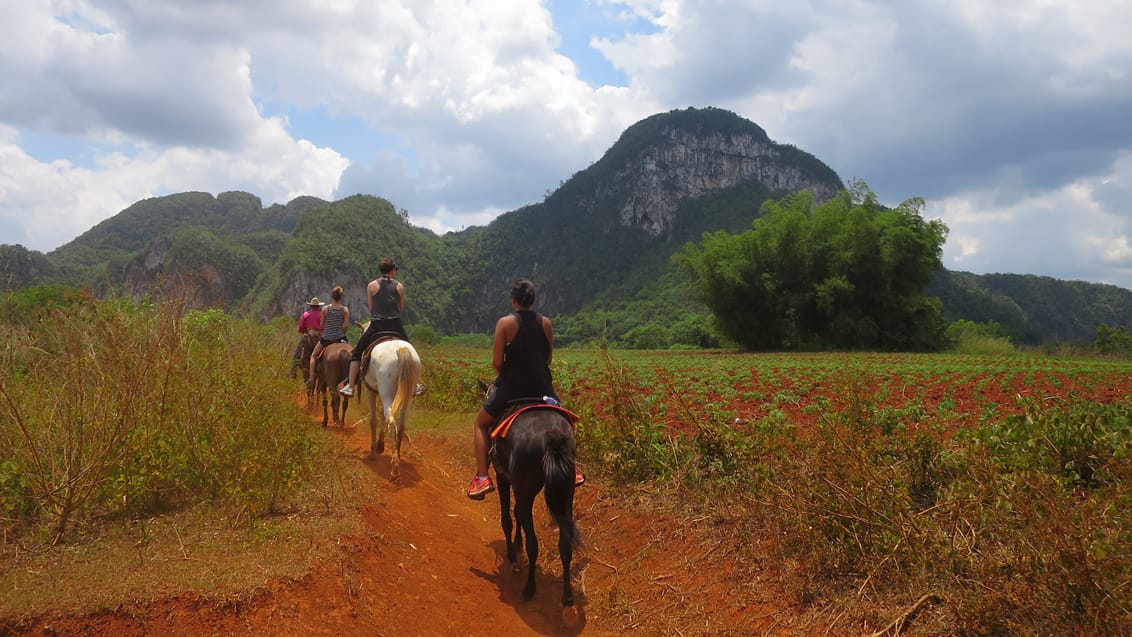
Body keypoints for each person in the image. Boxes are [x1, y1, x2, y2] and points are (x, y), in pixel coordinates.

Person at [466, 278, 584, 500]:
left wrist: (508, 374)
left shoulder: (504, 323)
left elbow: (497, 363)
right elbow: (548, 359)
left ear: (513, 300)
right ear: (533, 300)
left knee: (480, 424)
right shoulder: (546, 323)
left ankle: (482, 477)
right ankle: (573, 468)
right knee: (565, 419)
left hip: (512, 388)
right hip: (542, 387)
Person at [339, 258, 409, 397]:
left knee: (356, 353)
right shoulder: (399, 287)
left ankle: (350, 386)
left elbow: (371, 308)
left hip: (377, 325)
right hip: (395, 325)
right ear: (392, 269)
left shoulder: (371, 285)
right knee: (409, 352)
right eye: (395, 269)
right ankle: (416, 383)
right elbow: (401, 308)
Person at [307, 286, 350, 387]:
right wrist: (341, 331)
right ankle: (354, 379)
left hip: (327, 338)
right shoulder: (345, 310)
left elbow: (322, 325)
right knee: (353, 355)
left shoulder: (325, 309)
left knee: (313, 356)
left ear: (332, 296)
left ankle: (311, 378)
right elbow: (346, 326)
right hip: (341, 338)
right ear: (341, 297)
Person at [290, 297, 324, 377]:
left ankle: (293, 372)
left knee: (296, 353)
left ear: (311, 306)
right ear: (318, 306)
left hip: (308, 337)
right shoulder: (322, 315)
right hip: (320, 338)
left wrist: (305, 331)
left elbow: (300, 328)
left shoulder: (306, 315)